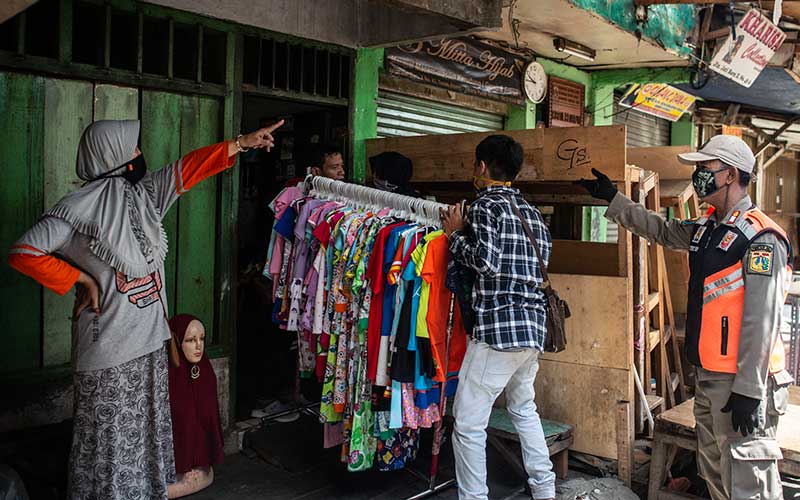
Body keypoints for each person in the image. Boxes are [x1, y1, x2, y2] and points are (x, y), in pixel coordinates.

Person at [7, 118, 282, 500]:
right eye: (133, 149)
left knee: (144, 436)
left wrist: (242, 143)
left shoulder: (145, 195)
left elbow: (188, 169)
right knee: (108, 441)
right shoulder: (75, 209)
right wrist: (79, 279)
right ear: (113, 156)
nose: (140, 154)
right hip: (109, 351)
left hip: (151, 343)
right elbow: (24, 252)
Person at [578, 134, 793, 500]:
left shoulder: (760, 239)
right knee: (715, 473)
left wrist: (750, 391)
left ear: (731, 175)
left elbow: (763, 319)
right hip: (711, 378)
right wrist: (614, 200)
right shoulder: (709, 229)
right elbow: (661, 230)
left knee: (747, 485)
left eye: (705, 169)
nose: (698, 176)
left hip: (742, 383)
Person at [441, 135, 556, 500]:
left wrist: (454, 235)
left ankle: (473, 496)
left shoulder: (486, 206)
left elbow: (486, 262)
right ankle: (545, 488)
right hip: (531, 329)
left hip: (498, 331)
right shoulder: (532, 214)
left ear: (481, 167)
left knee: (468, 423)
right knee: (523, 408)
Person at [167, 314, 224, 499]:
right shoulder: (168, 377)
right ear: (177, 341)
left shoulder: (205, 372)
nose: (199, 346)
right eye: (191, 340)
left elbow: (208, 421)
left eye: (201, 339)